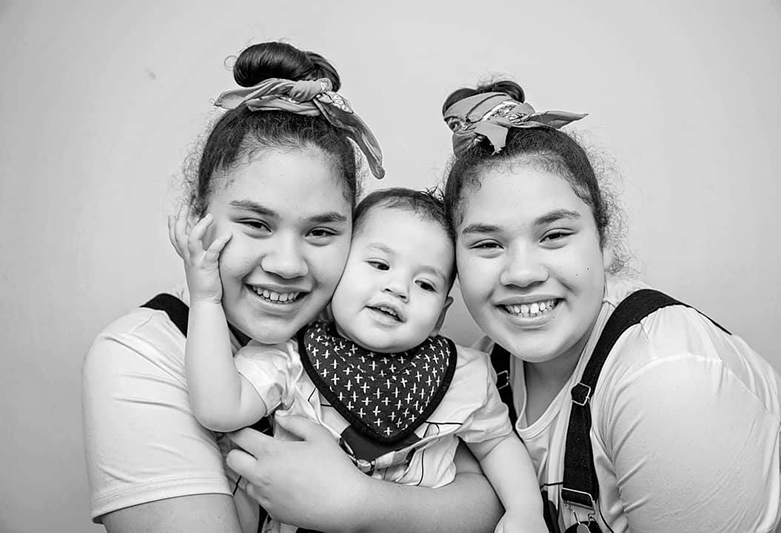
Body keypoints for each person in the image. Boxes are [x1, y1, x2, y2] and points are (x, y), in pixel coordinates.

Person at [82, 41, 503, 533]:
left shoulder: (365, 336)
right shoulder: (139, 357)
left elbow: (485, 497)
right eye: (256, 224)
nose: (286, 264)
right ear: (198, 218)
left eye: (321, 232)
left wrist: (360, 503)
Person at [440, 80, 781, 532]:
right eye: (488, 244)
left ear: (605, 243)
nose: (522, 272)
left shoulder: (668, 381)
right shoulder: (485, 368)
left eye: (554, 235)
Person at [171, 186, 548, 533]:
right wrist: (205, 300)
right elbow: (219, 409)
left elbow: (497, 443)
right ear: (338, 273)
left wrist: (525, 510)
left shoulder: (463, 374)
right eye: (379, 265)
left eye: (425, 284)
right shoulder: (290, 356)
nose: (398, 288)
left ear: (440, 317)